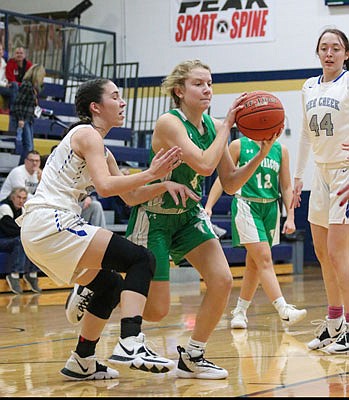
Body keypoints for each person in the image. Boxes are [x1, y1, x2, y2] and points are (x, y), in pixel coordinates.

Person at [65, 60, 280, 380]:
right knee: (156, 311)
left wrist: (262, 152)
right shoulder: (170, 122)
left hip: (188, 215)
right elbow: (205, 166)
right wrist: (227, 126)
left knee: (222, 280)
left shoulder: (211, 126)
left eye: (210, 82)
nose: (207, 88)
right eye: (198, 83)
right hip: (155, 216)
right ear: (180, 90)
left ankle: (193, 355)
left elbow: (231, 183)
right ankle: (98, 285)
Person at [18, 77, 200, 381]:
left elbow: (128, 197)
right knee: (141, 259)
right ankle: (131, 342)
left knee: (111, 285)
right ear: (95, 107)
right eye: (115, 97)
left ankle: (82, 360)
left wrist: (162, 183)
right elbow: (104, 187)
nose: (123, 102)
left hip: (43, 231)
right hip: (51, 221)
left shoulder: (102, 150)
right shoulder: (87, 134)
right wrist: (151, 173)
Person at [204, 136, 307, 330]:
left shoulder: (281, 149)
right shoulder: (238, 146)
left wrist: (290, 217)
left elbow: (285, 186)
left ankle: (240, 311)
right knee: (264, 259)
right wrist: (209, 206)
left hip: (270, 209)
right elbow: (223, 179)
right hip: (246, 205)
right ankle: (283, 309)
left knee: (254, 264)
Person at [292, 28, 349, 353]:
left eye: (336, 48)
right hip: (320, 172)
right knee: (323, 253)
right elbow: (303, 134)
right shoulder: (308, 86)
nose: (329, 53)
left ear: (346, 54)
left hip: (345, 172)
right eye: (324, 48)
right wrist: (298, 177)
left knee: (340, 255)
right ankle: (334, 322)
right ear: (318, 52)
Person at [0, 187, 41, 294]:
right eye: (19, 197)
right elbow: (9, 229)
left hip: (13, 239)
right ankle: (14, 275)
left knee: (34, 239)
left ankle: (32, 274)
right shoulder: (5, 207)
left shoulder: (22, 209)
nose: (21, 200)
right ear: (12, 197)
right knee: (21, 240)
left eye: (24, 198)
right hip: (2, 240)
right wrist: (27, 232)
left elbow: (26, 228)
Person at [12, 63, 46, 165]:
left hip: (29, 119)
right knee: (28, 147)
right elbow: (18, 103)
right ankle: (22, 168)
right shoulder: (27, 85)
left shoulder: (33, 87)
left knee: (29, 146)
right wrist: (21, 119)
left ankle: (23, 167)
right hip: (24, 119)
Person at [5, 46, 33, 131]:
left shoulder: (28, 65)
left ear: (24, 55)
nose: (19, 55)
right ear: (14, 54)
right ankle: (14, 111)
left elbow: (30, 79)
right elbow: (10, 77)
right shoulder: (11, 62)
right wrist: (20, 84)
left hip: (23, 89)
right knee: (14, 85)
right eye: (17, 53)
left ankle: (24, 115)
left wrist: (21, 85)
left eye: (21, 53)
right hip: (12, 88)